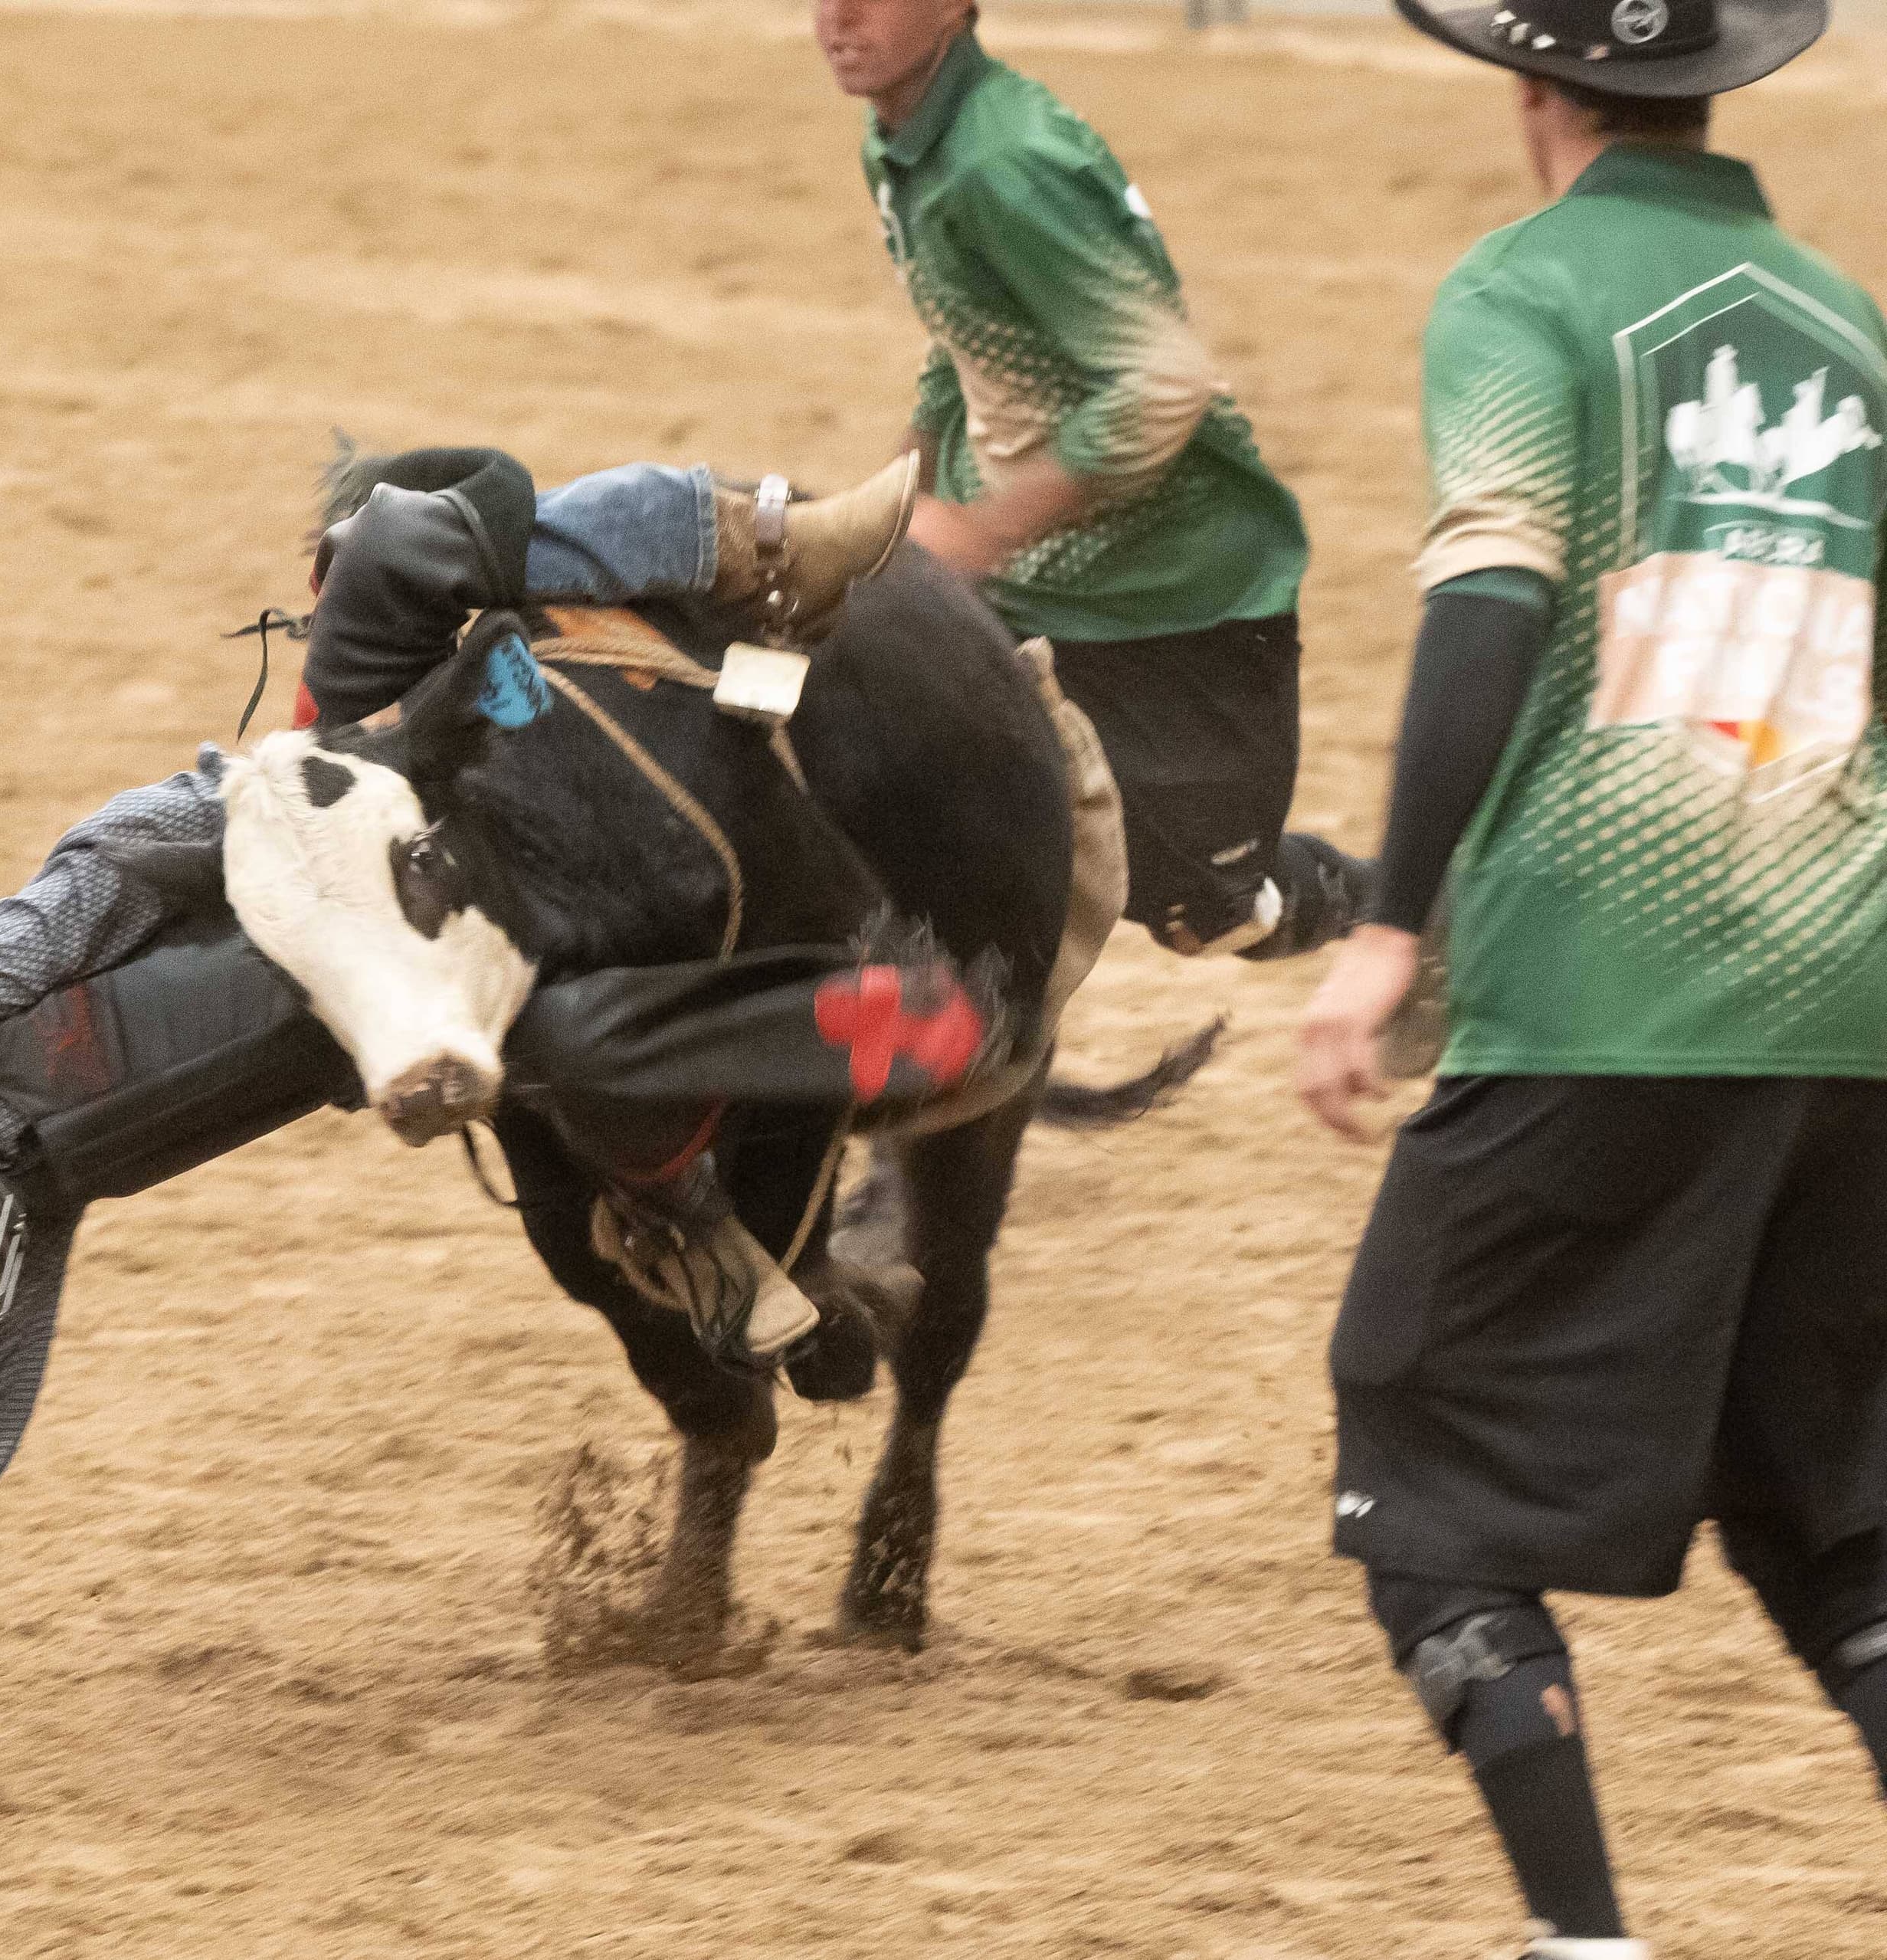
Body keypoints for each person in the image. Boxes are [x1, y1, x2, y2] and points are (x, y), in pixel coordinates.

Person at [1292, 0, 1887, 1950]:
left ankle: (1589, 1939)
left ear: (1532, 85)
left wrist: (1390, 925)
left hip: (1600, 998)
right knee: (1840, 1522)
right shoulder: (1855, 333)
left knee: (1424, 1462)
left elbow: (1493, 598)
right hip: (1850, 1010)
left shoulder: (1523, 298)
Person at [0, 762, 989, 1591]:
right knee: (564, 1094)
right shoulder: (20, 1218)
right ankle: (748, 1195)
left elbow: (106, 862)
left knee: (564, 1038)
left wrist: (292, 835)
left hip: (350, 869)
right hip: (394, 1036)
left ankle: (887, 1013)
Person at [313, 0, 1367, 959]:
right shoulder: (906, 140)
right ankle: (904, 1084)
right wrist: (904, 498)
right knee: (914, 786)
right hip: (1055, 575)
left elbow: (1165, 385)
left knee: (1202, 910)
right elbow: (966, 334)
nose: (837, 13)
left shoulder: (1007, 158)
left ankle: (1394, 909)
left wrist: (983, 529)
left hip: (1183, 601)